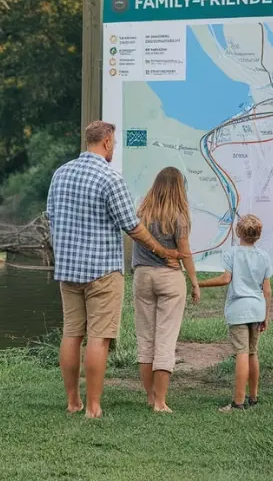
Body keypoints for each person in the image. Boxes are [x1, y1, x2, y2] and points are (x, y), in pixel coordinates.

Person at [46, 121, 185, 419]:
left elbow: (52, 216)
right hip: (102, 271)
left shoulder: (60, 174)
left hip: (68, 270)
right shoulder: (110, 178)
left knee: (72, 334)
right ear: (107, 142)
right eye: (115, 143)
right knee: (99, 337)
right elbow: (132, 227)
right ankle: (94, 407)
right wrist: (163, 251)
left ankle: (73, 402)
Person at [131, 167, 200, 413]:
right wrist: (194, 281)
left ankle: (150, 397)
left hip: (142, 276)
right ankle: (160, 402)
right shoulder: (179, 216)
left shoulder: (142, 209)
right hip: (170, 278)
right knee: (165, 339)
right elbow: (185, 253)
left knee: (146, 339)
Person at [198, 214, 272, 412]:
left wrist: (199, 283)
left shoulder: (231, 253)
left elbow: (225, 279)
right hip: (257, 309)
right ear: (258, 235)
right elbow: (267, 290)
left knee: (241, 353)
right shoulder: (264, 256)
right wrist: (266, 314)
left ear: (238, 232)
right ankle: (253, 397)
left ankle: (237, 402)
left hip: (238, 310)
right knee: (252, 353)